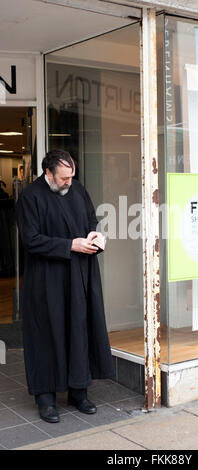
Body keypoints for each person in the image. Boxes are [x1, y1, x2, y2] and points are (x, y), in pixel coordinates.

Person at [16, 149, 114, 423]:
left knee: (78, 330)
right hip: (46, 278)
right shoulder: (30, 197)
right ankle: (45, 398)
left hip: (79, 273)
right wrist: (70, 244)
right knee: (47, 334)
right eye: (64, 178)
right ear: (48, 173)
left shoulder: (77, 189)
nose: (69, 183)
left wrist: (96, 235)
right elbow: (30, 240)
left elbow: (90, 220)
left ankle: (78, 391)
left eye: (72, 176)